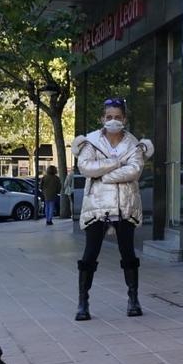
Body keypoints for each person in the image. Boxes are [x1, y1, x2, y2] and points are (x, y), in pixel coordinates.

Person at [71, 98, 153, 321]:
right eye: (109, 117)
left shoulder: (133, 143)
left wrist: (104, 175)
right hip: (97, 207)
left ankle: (133, 298)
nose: (113, 121)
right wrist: (117, 163)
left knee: (128, 253)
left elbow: (135, 170)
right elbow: (86, 167)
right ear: (102, 119)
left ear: (124, 119)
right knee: (90, 253)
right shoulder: (90, 141)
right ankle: (83, 301)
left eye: (117, 117)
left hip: (125, 205)